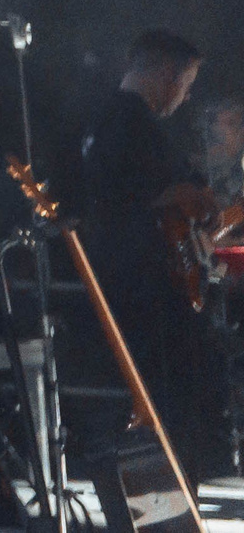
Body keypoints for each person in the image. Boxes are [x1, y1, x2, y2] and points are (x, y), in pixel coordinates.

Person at [76, 29, 215, 473]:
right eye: (188, 83)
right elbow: (115, 194)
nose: (187, 96)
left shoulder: (111, 119)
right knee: (170, 400)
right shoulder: (128, 122)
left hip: (139, 280)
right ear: (169, 74)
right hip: (144, 286)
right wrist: (179, 195)